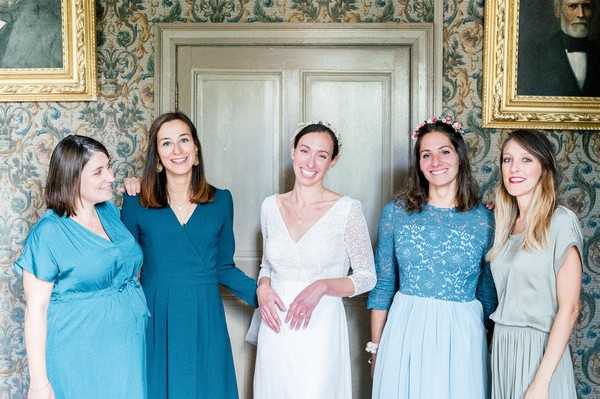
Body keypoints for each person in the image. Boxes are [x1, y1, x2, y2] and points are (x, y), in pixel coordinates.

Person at [121, 112, 257, 399]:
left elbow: (223, 266)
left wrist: (262, 295)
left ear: (196, 150)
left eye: (184, 140)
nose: (177, 150)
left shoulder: (221, 201)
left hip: (204, 313)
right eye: (166, 143)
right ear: (157, 157)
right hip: (156, 314)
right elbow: (122, 269)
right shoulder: (135, 202)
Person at [368, 116, 497, 399]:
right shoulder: (396, 213)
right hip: (406, 328)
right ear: (419, 162)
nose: (435, 161)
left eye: (444, 152)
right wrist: (376, 348)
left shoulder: (485, 219)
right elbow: (384, 285)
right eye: (426, 154)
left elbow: (487, 291)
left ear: (460, 157)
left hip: (463, 335)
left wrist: (491, 347)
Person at [14, 135, 149, 399]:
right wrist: (39, 383)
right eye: (99, 171)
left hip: (127, 346)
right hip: (78, 349)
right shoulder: (48, 232)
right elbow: (36, 310)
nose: (110, 176)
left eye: (108, 167)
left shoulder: (108, 211)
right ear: (72, 177)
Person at [253, 122, 376, 399]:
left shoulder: (347, 210)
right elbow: (267, 265)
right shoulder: (270, 207)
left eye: (321, 155)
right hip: (276, 326)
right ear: (293, 152)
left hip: (321, 327)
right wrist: (262, 287)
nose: (310, 162)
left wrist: (321, 287)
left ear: (333, 161)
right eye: (304, 151)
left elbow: (367, 276)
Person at [488, 130, 582, 399]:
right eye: (507, 160)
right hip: (504, 350)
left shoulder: (561, 222)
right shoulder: (505, 224)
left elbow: (571, 308)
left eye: (526, 160)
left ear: (543, 168)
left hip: (540, 351)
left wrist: (541, 383)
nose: (514, 168)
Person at [518, 0, 600, 96]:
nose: (581, 14)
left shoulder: (597, 53)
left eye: (586, 6)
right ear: (557, 10)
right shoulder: (535, 56)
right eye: (573, 6)